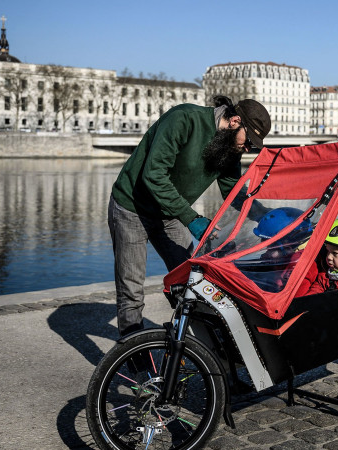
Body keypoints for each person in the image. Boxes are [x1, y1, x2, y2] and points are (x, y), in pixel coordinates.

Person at [109, 96, 271, 336]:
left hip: (170, 213)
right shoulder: (184, 119)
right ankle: (138, 366)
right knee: (131, 291)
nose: (249, 148)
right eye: (249, 141)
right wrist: (191, 218)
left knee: (189, 283)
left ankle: (186, 348)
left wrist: (265, 216)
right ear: (235, 121)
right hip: (132, 209)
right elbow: (154, 175)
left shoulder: (230, 147)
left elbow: (232, 189)